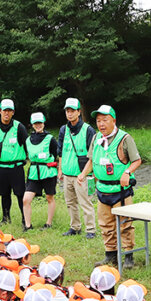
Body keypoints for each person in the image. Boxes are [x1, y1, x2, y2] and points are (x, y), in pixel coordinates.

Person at [77, 105, 142, 267]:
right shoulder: (97, 138)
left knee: (125, 223)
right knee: (106, 224)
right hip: (103, 189)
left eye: (105, 120)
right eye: (98, 121)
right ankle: (110, 254)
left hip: (121, 191)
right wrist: (83, 174)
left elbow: (137, 160)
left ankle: (128, 257)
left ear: (113, 120)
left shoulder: (125, 139)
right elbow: (91, 160)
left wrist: (127, 172)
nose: (101, 124)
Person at [58, 98, 97, 239]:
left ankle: (91, 229)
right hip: (67, 173)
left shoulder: (88, 130)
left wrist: (88, 173)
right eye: (67, 111)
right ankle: (75, 227)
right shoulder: (63, 129)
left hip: (82, 174)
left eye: (72, 111)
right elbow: (60, 150)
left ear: (79, 112)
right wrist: (60, 169)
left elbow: (93, 154)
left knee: (85, 202)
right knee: (70, 203)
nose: (70, 114)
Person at [0, 99, 28, 224]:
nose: (7, 113)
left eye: (9, 111)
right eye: (4, 110)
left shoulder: (19, 127)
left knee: (20, 194)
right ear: (0, 111)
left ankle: (24, 218)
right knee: (4, 194)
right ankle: (6, 218)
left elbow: (27, 144)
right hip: (1, 167)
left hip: (16, 167)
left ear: (13, 112)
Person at [21, 112, 60, 231]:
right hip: (34, 172)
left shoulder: (50, 139)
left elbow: (57, 155)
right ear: (32, 125)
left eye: (40, 123)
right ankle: (28, 226)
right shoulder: (28, 140)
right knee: (26, 199)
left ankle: (48, 223)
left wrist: (59, 170)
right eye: (36, 123)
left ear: (43, 123)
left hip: (48, 172)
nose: (38, 125)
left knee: (49, 197)